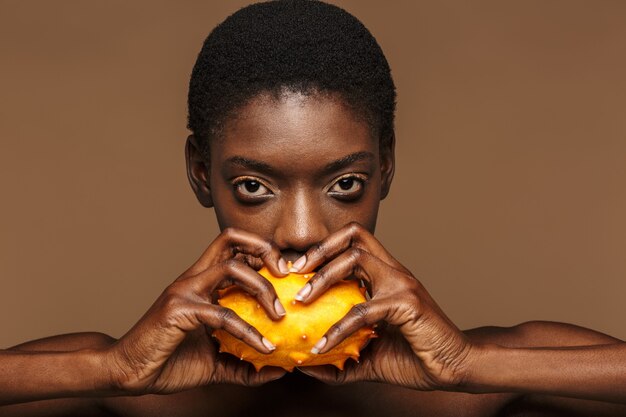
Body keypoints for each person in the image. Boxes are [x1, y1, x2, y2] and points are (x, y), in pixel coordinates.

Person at [2, 1, 626, 416]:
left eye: (345, 184)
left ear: (386, 167)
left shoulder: (486, 378)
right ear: (200, 173)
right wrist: (112, 367)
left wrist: (470, 363)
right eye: (253, 188)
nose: (300, 233)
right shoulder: (114, 380)